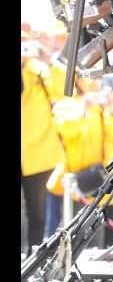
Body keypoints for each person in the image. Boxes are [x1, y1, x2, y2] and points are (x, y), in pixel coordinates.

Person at [45, 76, 113, 244]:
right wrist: (84, 105)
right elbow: (67, 129)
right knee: (72, 239)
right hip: (75, 183)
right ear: (77, 80)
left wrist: (112, 108)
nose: (97, 82)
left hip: (99, 180)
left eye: (99, 78)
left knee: (95, 240)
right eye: (92, 77)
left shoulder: (100, 106)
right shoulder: (66, 103)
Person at [22, 37, 66, 254]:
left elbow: (65, 90)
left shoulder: (40, 70)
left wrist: (48, 58)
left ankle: (32, 257)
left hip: (38, 154)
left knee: (36, 211)